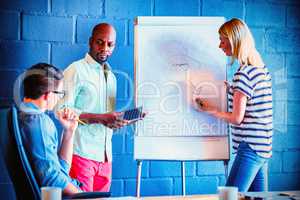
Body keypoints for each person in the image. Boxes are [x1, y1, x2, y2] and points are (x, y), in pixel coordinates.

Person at [195, 18, 272, 192]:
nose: (219, 46)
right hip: (263, 147)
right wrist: (233, 90)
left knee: (229, 196)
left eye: (223, 41)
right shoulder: (260, 68)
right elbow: (255, 102)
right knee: (259, 198)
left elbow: (237, 118)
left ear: (234, 41)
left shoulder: (243, 74)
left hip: (250, 147)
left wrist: (210, 109)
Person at [56, 23, 128, 192]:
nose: (105, 48)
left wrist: (115, 122)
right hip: (81, 155)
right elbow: (62, 110)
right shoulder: (76, 70)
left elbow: (106, 118)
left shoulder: (111, 77)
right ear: (90, 42)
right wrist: (101, 118)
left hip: (105, 158)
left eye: (110, 44)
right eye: (100, 42)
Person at [18, 63, 82, 195]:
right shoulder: (39, 122)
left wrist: (69, 131)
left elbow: (60, 171)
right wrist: (84, 196)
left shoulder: (22, 115)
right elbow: (53, 180)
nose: (59, 98)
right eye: (59, 93)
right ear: (48, 95)